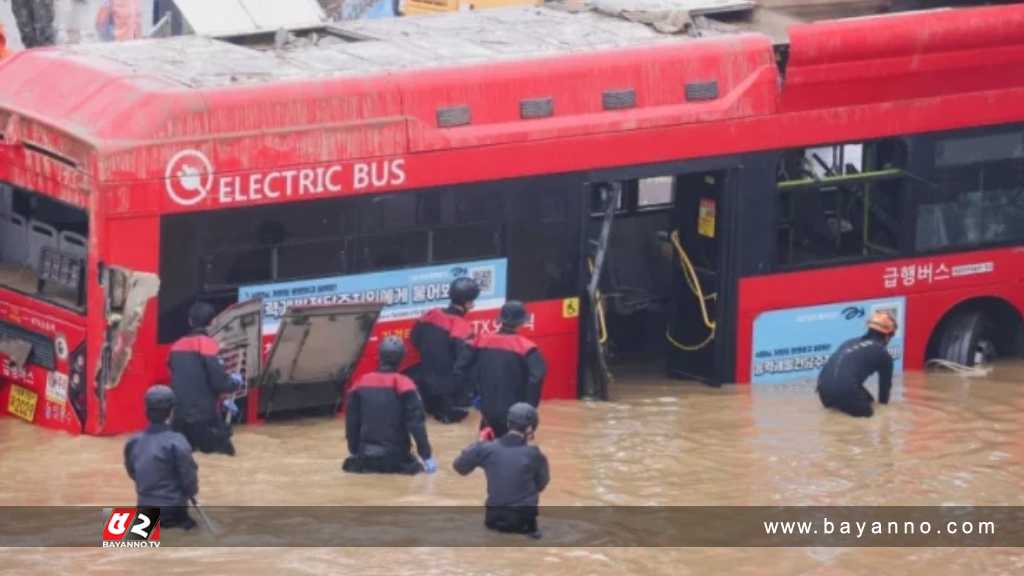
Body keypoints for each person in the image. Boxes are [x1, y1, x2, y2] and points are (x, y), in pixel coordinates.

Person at [453, 403, 549, 539]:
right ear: (529, 428)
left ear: (508, 424)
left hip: (493, 521)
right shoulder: (534, 454)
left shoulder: (486, 449)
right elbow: (541, 484)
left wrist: (479, 443)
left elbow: (459, 467)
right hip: (523, 524)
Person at [343, 336, 437, 475]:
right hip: (397, 460)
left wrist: (354, 451)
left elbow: (352, 422)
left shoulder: (360, 383)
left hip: (365, 459)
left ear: (379, 356)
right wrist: (426, 456)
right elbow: (416, 424)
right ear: (401, 359)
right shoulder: (405, 385)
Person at [457, 300, 546, 439]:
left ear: (501, 320)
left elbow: (461, 367)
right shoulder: (527, 348)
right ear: (521, 323)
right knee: (514, 454)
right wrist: (529, 408)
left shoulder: (480, 341)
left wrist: (473, 394)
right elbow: (537, 377)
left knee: (487, 448)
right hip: (515, 416)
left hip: (487, 411)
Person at [169, 301, 242, 455]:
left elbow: (183, 377)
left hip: (179, 419)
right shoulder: (208, 345)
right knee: (227, 456)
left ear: (189, 321)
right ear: (213, 322)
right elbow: (219, 382)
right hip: (204, 419)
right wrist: (234, 383)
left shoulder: (175, 346)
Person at [124, 385, 198, 530]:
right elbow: (188, 479)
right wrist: (190, 492)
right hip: (174, 512)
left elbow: (133, 472)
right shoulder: (177, 441)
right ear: (171, 412)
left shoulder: (133, 442)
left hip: (144, 511)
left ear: (146, 410)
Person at [409, 276, 480, 424]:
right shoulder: (461, 326)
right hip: (449, 400)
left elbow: (414, 339)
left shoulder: (429, 315)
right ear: (467, 303)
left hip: (425, 392)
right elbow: (464, 361)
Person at [817, 311, 897, 418]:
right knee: (871, 418)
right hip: (846, 389)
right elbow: (884, 396)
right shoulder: (884, 355)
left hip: (823, 390)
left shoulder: (848, 342)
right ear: (888, 335)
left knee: (869, 402)